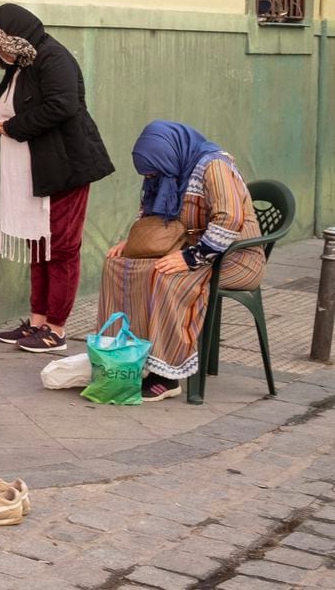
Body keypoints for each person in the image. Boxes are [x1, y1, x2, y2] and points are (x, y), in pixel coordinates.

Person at [0, 4, 114, 353]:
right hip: (34, 168)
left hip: (65, 168)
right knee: (39, 245)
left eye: (3, 46)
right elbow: (11, 106)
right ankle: (37, 322)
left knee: (61, 248)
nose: (0, 55)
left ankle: (57, 328)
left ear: (18, 38)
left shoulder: (53, 57)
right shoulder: (20, 65)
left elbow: (62, 106)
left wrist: (14, 127)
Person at [97, 121, 267, 401]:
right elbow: (152, 215)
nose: (151, 176)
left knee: (167, 277)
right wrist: (134, 243)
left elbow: (230, 219)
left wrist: (192, 258)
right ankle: (123, 358)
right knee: (120, 266)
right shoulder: (166, 170)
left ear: (168, 154)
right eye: (146, 173)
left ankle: (168, 374)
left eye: (153, 171)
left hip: (235, 258)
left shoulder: (215, 166)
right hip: (190, 249)